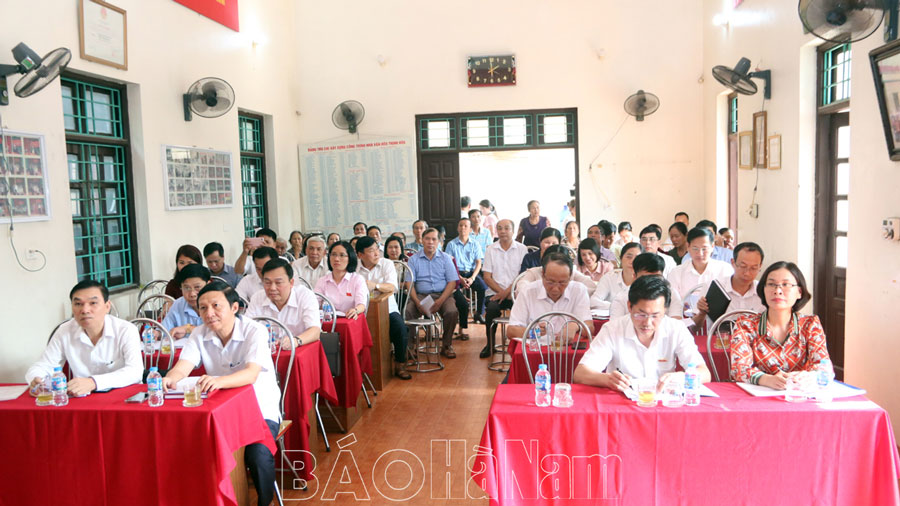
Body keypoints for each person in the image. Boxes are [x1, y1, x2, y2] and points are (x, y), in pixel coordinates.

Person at [162, 282, 280, 506]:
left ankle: (266, 502)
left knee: (257, 454)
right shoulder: (199, 333)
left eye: (216, 306)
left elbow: (251, 374)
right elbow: (183, 366)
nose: (209, 313)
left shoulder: (254, 331)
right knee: (187, 446)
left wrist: (218, 381)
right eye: (203, 308)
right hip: (219, 413)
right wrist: (171, 378)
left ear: (234, 307)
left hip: (258, 410)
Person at [573, 275, 711, 390]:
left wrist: (682, 378)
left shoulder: (676, 328)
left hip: (662, 401)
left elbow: (704, 373)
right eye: (641, 314)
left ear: (665, 310)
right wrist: (607, 379)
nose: (647, 323)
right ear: (629, 306)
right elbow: (580, 373)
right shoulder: (613, 329)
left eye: (655, 315)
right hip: (622, 403)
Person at [26, 280, 143, 396]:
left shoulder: (126, 330)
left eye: (93, 303)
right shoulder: (65, 331)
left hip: (123, 396)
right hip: (82, 398)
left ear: (107, 306)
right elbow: (44, 365)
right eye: (78, 304)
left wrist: (94, 382)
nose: (85, 310)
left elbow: (135, 371)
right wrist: (37, 378)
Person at [730, 261, 830, 388]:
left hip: (797, 393)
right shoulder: (745, 325)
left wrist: (805, 377)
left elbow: (824, 367)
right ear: (763, 290)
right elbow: (738, 369)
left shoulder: (810, 325)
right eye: (771, 284)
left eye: (785, 284)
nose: (777, 291)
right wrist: (767, 379)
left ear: (799, 292)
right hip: (757, 395)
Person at [355, 237, 411, 379]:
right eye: (371, 251)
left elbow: (392, 287)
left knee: (400, 328)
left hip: (387, 308)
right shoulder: (353, 267)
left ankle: (400, 364)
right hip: (361, 309)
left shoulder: (386, 263)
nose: (376, 253)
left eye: (377, 249)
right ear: (360, 255)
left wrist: (375, 286)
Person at [507, 249, 592, 342]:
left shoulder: (578, 291)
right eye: (550, 282)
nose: (555, 289)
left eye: (562, 283)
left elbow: (590, 328)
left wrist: (575, 326)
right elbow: (511, 331)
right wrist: (534, 332)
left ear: (570, 277)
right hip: (536, 348)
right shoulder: (528, 292)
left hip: (567, 349)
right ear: (543, 274)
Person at [405, 227, 460, 359]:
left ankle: (446, 345)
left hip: (442, 295)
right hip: (421, 295)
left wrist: (440, 301)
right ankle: (410, 346)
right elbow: (409, 284)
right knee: (408, 311)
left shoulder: (446, 258)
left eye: (434, 239)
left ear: (439, 242)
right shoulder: (413, 259)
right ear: (422, 241)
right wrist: (417, 302)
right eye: (427, 239)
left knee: (452, 311)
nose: (430, 242)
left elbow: (452, 282)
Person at [246, 258, 321, 349]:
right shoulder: (257, 298)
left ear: (291, 283)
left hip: (299, 351)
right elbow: (246, 328)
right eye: (267, 282)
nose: (272, 288)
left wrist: (296, 341)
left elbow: (315, 330)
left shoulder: (305, 296)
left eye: (278, 283)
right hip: (267, 352)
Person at [481, 219, 528, 358]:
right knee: (491, 309)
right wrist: (502, 293)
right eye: (500, 228)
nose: (503, 231)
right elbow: (487, 277)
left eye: (506, 228)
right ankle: (490, 345)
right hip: (494, 293)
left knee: (525, 311)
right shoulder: (491, 249)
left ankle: (520, 345)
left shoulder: (522, 249)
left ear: (513, 231)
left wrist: (508, 292)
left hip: (516, 293)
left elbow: (522, 275)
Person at [692, 242, 766, 328]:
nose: (747, 273)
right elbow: (693, 329)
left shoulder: (764, 292)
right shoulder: (713, 288)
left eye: (753, 268)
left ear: (760, 266)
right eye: (743, 266)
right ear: (733, 263)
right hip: (719, 336)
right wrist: (702, 313)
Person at [666, 227, 735, 303]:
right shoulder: (676, 273)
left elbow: (731, 300)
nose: (700, 254)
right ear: (688, 247)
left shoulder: (725, 270)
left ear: (712, 247)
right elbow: (673, 303)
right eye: (695, 249)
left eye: (704, 249)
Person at [609, 253, 684, 320]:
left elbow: (676, 323)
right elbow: (615, 326)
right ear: (635, 277)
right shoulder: (621, 299)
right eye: (647, 278)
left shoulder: (672, 294)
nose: (652, 282)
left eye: (656, 278)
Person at [445, 218, 487, 335]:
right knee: (460, 300)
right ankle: (461, 327)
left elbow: (479, 263)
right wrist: (459, 278)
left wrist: (472, 278)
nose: (463, 228)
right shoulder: (451, 244)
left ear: (470, 229)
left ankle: (479, 313)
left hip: (470, 273)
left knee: (483, 287)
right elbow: (449, 265)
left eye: (466, 226)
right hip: (456, 273)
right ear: (457, 228)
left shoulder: (475, 243)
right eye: (461, 225)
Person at [314, 241, 368, 320]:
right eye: (333, 254)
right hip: (329, 322)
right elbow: (314, 303)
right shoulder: (322, 281)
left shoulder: (357, 279)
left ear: (350, 258)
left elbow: (361, 304)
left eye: (342, 255)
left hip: (350, 320)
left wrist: (355, 310)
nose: (336, 259)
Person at [162, 264, 211, 339]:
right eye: (187, 288)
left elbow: (220, 333)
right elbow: (165, 330)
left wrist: (189, 329)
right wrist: (157, 333)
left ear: (208, 285)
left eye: (197, 287)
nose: (192, 294)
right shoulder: (178, 304)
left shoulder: (217, 305)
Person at [590, 242, 642, 310]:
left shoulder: (645, 281)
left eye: (637, 258)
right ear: (621, 258)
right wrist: (618, 307)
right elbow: (593, 301)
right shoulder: (610, 277)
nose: (632, 261)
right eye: (629, 257)